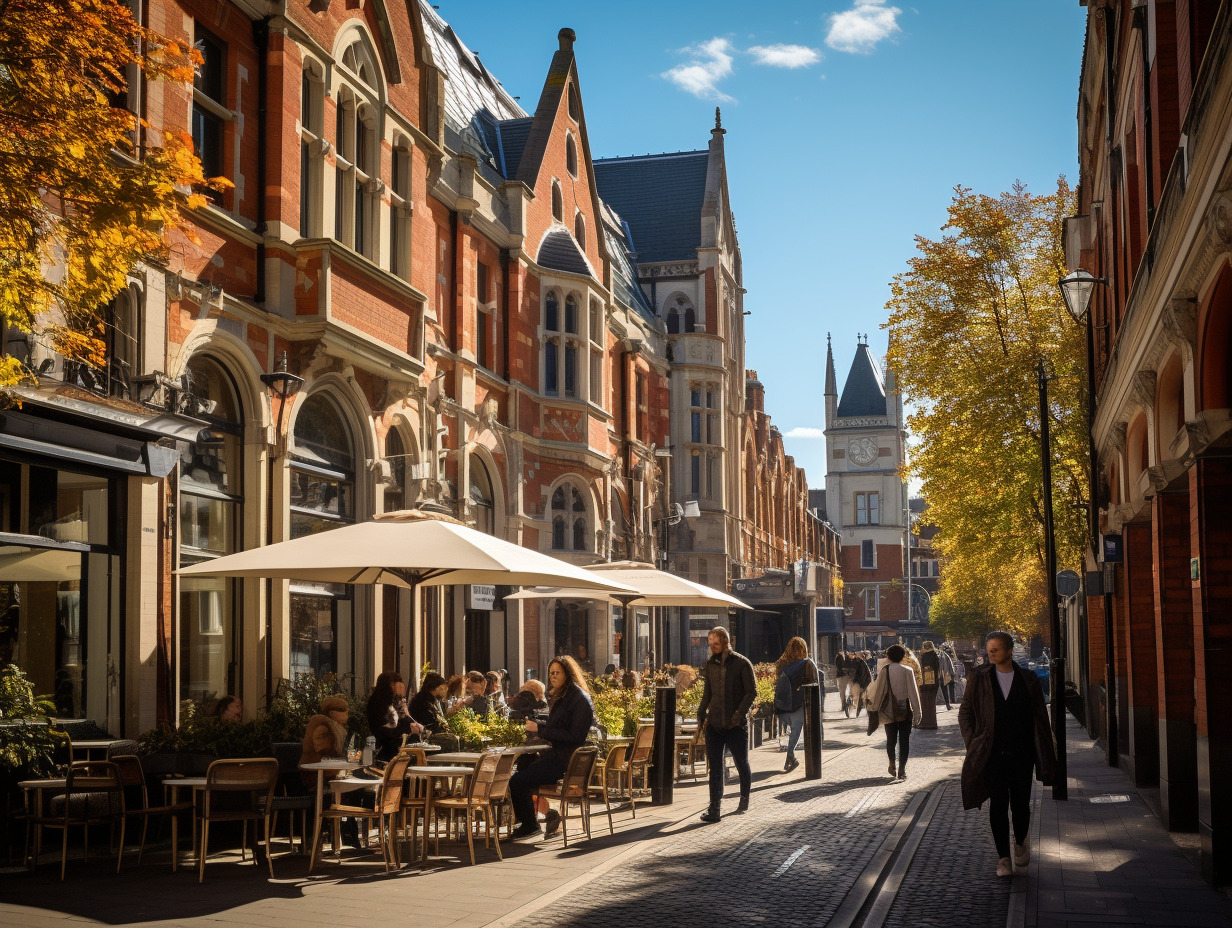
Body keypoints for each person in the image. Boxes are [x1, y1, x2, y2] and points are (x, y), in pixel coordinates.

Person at [959, 630, 1057, 878]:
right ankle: (1003, 858)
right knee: (998, 805)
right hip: (991, 752)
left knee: (1021, 805)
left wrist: (1044, 751)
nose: (991, 653)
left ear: (1009, 650)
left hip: (1021, 753)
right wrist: (973, 743)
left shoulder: (1029, 679)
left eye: (996, 649)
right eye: (989, 649)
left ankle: (1021, 840)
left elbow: (1039, 717)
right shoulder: (979, 677)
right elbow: (966, 712)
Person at [508, 656, 596, 842]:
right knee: (523, 764)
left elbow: (574, 736)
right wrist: (537, 723)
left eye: (557, 673)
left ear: (568, 674)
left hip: (564, 760)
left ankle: (530, 825)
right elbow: (558, 724)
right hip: (559, 756)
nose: (553, 677)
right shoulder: (565, 695)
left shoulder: (577, 698)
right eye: (551, 673)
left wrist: (539, 729)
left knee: (517, 781)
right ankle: (533, 818)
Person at [697, 626, 756, 823]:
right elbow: (708, 693)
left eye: (715, 643)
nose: (712, 647)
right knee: (714, 767)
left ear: (725, 642)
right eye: (710, 644)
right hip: (714, 723)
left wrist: (739, 713)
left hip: (735, 725)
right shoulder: (710, 665)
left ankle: (744, 796)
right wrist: (701, 712)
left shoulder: (741, 663)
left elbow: (751, 692)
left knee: (741, 762)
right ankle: (715, 808)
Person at [865, 644, 922, 781]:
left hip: (888, 710)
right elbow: (913, 694)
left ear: (888, 657)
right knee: (904, 741)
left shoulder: (885, 670)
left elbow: (880, 692)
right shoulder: (908, 670)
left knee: (890, 739)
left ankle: (892, 764)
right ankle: (902, 770)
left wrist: (874, 709)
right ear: (903, 656)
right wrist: (918, 713)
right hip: (905, 710)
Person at [774, 637, 818, 772]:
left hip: (782, 704)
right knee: (796, 731)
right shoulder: (805, 664)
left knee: (791, 730)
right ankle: (790, 756)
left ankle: (790, 757)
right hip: (797, 703)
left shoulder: (781, 664)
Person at [366, 671, 424, 761]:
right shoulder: (377, 703)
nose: (400, 689)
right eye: (397, 685)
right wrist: (407, 729)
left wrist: (412, 725)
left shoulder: (394, 702)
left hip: (397, 746)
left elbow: (404, 719)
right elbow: (383, 730)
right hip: (385, 749)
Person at [300, 695, 350, 789]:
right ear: (333, 713)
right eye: (345, 713)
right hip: (316, 777)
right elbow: (324, 757)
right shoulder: (323, 729)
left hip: (324, 774)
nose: (347, 716)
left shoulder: (334, 729)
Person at [917, 641, 942, 729]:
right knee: (931, 703)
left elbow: (924, 668)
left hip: (927, 683)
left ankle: (927, 722)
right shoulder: (934, 655)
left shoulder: (926, 656)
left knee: (926, 702)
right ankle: (931, 722)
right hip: (934, 682)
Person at [834, 651, 852, 717]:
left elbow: (837, 667)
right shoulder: (846, 658)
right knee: (849, 689)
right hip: (846, 675)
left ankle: (844, 704)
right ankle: (847, 703)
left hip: (841, 676)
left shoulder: (838, 657)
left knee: (842, 691)